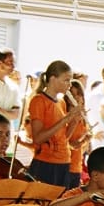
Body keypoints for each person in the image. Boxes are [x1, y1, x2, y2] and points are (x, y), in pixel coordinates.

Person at [27, 60, 87, 189]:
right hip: (46, 162)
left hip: (64, 162)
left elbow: (63, 137)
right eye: (66, 80)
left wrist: (74, 121)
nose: (69, 84)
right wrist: (67, 118)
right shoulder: (39, 101)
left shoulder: (61, 102)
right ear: (53, 79)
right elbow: (38, 138)